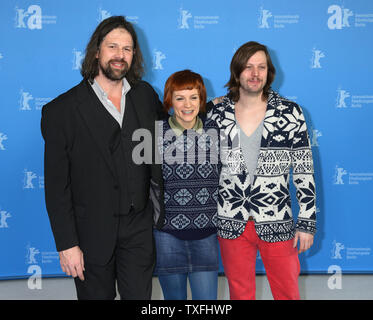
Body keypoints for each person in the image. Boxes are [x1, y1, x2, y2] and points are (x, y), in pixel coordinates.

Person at [41, 16, 163, 300]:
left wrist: (213, 108)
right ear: (97, 51)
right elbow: (57, 187)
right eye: (112, 47)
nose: (120, 55)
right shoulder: (62, 111)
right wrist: (67, 245)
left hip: (138, 229)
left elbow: (173, 131)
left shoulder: (145, 96)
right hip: (90, 234)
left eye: (127, 49)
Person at [208, 41, 316, 300]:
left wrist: (307, 223)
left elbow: (304, 169)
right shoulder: (215, 112)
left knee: (287, 292)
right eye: (248, 67)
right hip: (230, 219)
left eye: (261, 67)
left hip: (277, 218)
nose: (255, 74)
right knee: (240, 293)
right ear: (236, 72)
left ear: (269, 72)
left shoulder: (291, 112)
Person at [150, 70, 221, 300]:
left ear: (202, 100)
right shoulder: (154, 135)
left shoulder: (217, 132)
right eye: (180, 98)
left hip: (207, 233)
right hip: (167, 235)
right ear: (170, 101)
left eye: (193, 97)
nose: (187, 104)